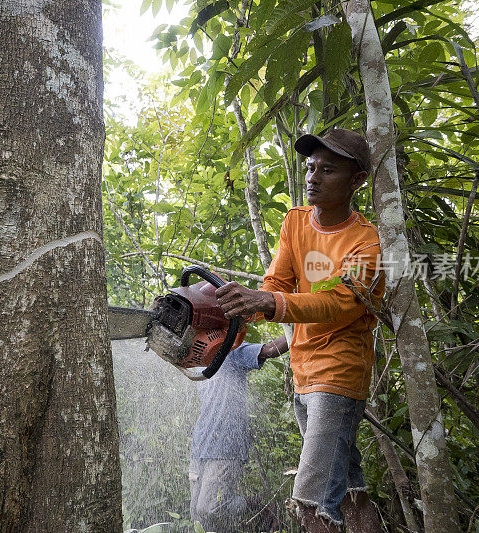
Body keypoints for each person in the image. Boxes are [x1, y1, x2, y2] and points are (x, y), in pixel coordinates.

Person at [213, 128, 385, 533]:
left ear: (357, 180)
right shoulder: (296, 222)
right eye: (310, 167)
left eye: (328, 170)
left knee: (310, 501)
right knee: (347, 491)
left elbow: (341, 303)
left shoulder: (368, 243)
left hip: (339, 375)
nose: (313, 177)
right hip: (304, 370)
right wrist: (244, 307)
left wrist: (269, 304)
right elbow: (277, 283)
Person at [189, 336, 288, 532]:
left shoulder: (230, 347)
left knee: (210, 508)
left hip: (227, 443)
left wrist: (299, 327)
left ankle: (262, 507)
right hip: (200, 443)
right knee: (197, 515)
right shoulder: (195, 356)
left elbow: (268, 350)